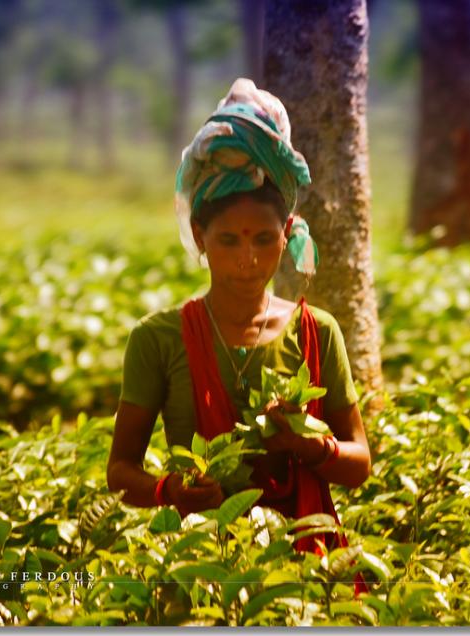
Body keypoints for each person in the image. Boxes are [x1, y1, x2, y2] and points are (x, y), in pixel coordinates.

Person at [106, 79, 372, 554]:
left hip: (306, 563)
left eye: (264, 240)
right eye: (229, 240)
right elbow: (120, 473)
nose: (247, 259)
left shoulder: (317, 333)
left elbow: (359, 462)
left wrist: (309, 446)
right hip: (203, 557)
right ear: (199, 234)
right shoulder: (157, 339)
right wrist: (170, 490)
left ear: (287, 233)